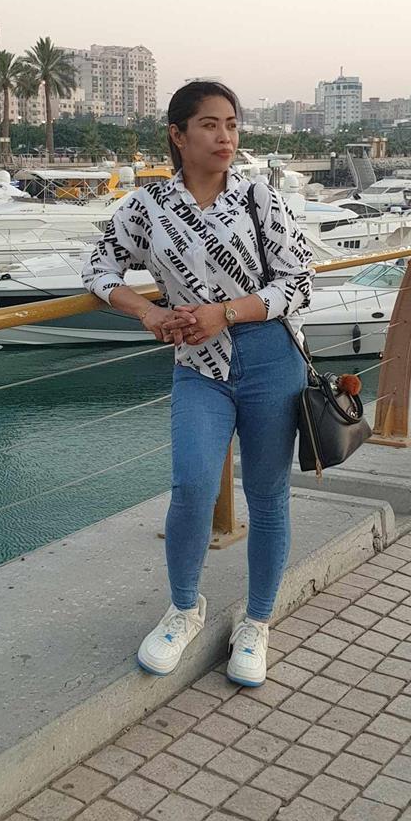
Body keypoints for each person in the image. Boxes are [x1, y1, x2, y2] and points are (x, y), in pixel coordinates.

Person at [82, 81, 312, 687]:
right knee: (191, 487)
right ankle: (184, 609)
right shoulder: (147, 206)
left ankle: (256, 622)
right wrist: (147, 312)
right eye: (209, 125)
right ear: (178, 135)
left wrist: (224, 313)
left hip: (271, 359)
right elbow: (98, 267)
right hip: (198, 367)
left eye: (231, 124)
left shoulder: (260, 198)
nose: (225, 136)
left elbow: (298, 284)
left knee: (267, 495)